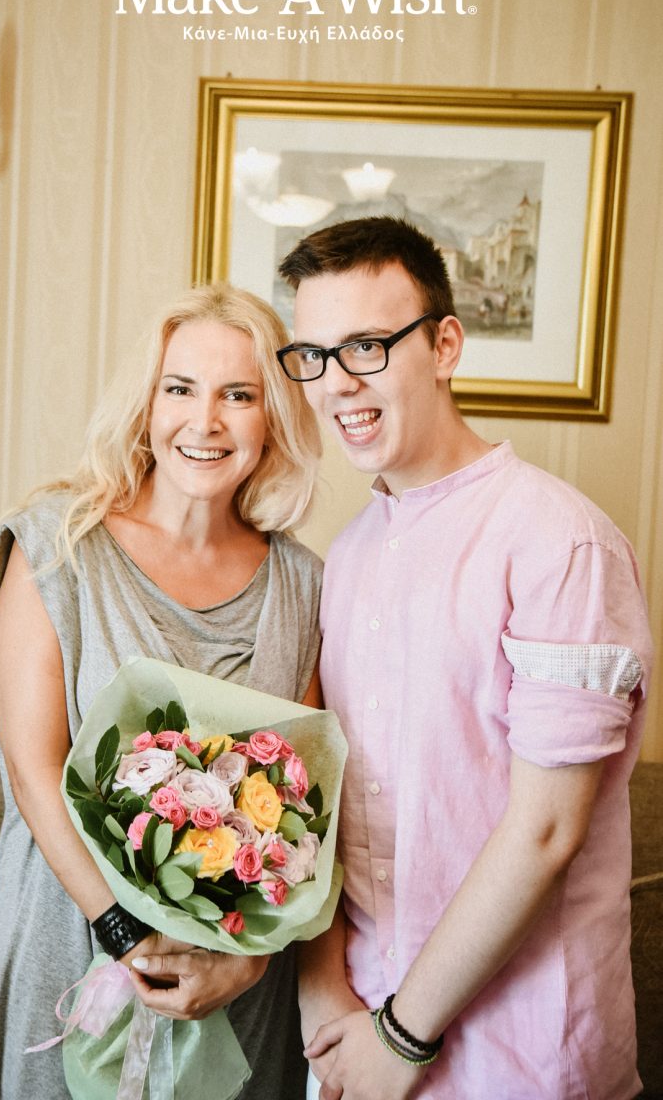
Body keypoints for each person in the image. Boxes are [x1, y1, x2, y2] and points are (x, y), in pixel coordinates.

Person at [274, 217, 653, 1100]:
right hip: (357, 1028)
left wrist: (401, 1036)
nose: (336, 384)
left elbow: (546, 830)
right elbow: (325, 795)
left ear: (444, 345)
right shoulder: (349, 554)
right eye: (313, 356)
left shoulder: (559, 542)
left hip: (522, 1052)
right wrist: (321, 989)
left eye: (366, 346)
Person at [0, 283, 324, 1100]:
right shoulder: (58, 545)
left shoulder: (304, 585)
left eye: (239, 396)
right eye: (180, 389)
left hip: (236, 983)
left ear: (273, 419)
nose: (205, 421)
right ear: (146, 407)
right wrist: (122, 928)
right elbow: (34, 769)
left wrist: (245, 961)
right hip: (72, 943)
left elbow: (303, 804)